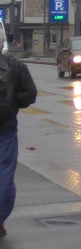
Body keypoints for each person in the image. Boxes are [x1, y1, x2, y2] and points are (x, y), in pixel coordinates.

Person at [1, 48, 38, 236]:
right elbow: (30, 93)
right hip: (5, 128)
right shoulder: (14, 65)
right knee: (5, 173)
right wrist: (14, 103)